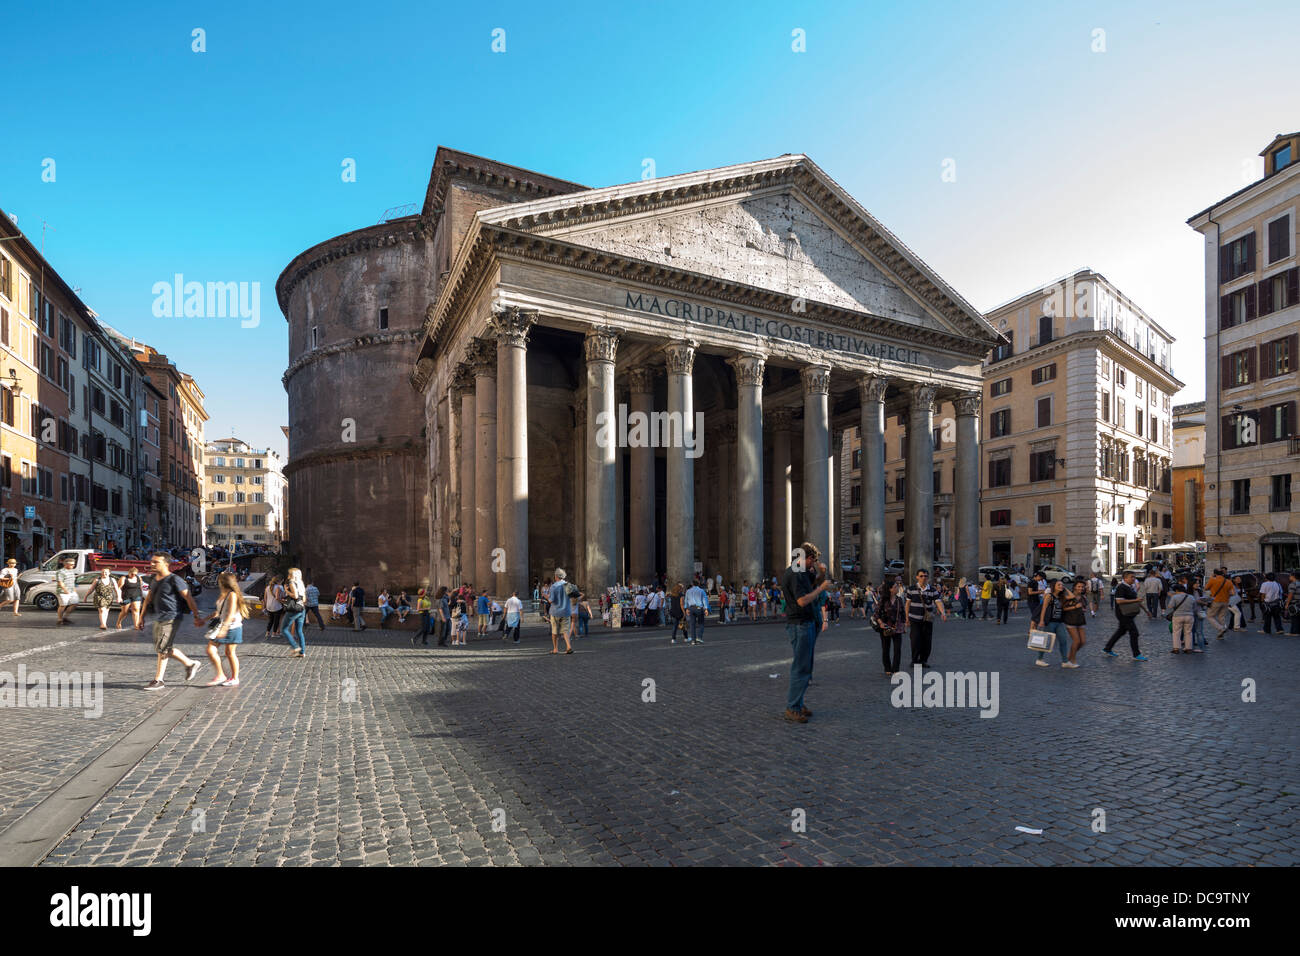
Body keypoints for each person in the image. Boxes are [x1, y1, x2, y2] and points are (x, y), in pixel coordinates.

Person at [781, 543, 834, 723]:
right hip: (800, 623)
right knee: (801, 667)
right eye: (814, 560)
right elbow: (803, 600)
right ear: (807, 558)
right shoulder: (795, 573)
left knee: (806, 666)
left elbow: (812, 585)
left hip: (806, 622)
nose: (814, 564)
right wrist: (821, 588)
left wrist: (821, 575)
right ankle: (792, 707)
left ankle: (798, 703)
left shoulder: (802, 572)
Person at [142, 553, 206, 690]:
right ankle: (190, 664)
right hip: (158, 617)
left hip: (171, 617)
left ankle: (159, 680)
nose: (152, 564)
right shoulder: (153, 579)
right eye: (152, 561)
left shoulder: (175, 580)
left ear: (166, 564)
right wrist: (141, 616)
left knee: (162, 648)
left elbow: (189, 598)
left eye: (156, 562)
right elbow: (148, 598)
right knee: (163, 649)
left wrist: (196, 616)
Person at [203, 572, 249, 686]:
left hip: (232, 627)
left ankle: (234, 678)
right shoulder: (224, 594)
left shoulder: (232, 595)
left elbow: (230, 614)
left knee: (230, 653)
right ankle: (221, 675)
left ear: (223, 582)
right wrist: (203, 619)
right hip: (224, 626)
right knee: (212, 650)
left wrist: (223, 629)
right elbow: (218, 612)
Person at [906, 569, 947, 667]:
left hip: (927, 620)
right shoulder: (911, 589)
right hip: (914, 619)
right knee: (915, 640)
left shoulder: (933, 590)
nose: (923, 578)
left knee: (927, 640)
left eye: (925, 576)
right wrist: (906, 617)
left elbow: (938, 602)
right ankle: (914, 660)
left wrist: (943, 613)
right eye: (921, 576)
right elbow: (907, 604)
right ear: (917, 577)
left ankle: (923, 660)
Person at [1103, 570, 1148, 661]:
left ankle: (1108, 648)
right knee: (1134, 632)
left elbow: (1137, 599)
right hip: (1123, 614)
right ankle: (1136, 654)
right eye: (1132, 577)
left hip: (1129, 613)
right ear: (1125, 578)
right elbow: (1119, 601)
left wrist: (1146, 611)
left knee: (1121, 631)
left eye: (1134, 577)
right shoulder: (1121, 587)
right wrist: (1135, 601)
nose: (1133, 579)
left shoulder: (1130, 587)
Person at [1032, 580, 1072, 668]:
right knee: (1046, 641)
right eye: (1059, 585)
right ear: (1054, 586)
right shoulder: (1049, 596)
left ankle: (1065, 661)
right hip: (1050, 622)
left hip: (1059, 622)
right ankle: (1039, 659)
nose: (1061, 586)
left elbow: (1072, 596)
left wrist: (1065, 589)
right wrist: (1041, 621)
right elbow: (1044, 609)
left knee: (1063, 641)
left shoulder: (1061, 597)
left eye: (1062, 585)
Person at [872, 579, 906, 677]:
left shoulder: (899, 599)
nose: (897, 588)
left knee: (897, 649)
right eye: (895, 587)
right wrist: (881, 623)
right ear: (890, 589)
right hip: (885, 627)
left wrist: (904, 625)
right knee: (886, 649)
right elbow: (876, 614)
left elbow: (902, 613)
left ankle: (896, 669)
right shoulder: (883, 600)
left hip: (897, 627)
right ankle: (887, 668)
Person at [280, 568, 308, 658]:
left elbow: (295, 596)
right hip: (301, 608)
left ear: (292, 575)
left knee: (284, 629)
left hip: (293, 609)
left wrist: (286, 591)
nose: (288, 575)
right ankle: (302, 652)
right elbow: (303, 599)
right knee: (299, 631)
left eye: (289, 574)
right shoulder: (301, 584)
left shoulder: (291, 583)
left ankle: (295, 647)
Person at [1061, 579, 1088, 666]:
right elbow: (1063, 608)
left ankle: (1069, 656)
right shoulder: (1069, 596)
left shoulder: (1083, 597)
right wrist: (1075, 607)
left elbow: (1083, 607)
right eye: (1079, 586)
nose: (1081, 588)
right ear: (1074, 587)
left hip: (1080, 620)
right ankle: (1072, 660)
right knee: (1076, 641)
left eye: (1082, 587)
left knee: (1082, 642)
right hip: (1070, 620)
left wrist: (1083, 609)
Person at [548, 568, 574, 655]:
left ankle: (555, 649)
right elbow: (573, 597)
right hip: (566, 611)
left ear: (556, 576)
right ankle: (568, 646)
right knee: (565, 630)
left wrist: (546, 596)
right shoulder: (568, 585)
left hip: (555, 612)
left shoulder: (554, 586)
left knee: (554, 631)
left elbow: (551, 600)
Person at [1204, 568, 1235, 640]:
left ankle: (1221, 628)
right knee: (1221, 616)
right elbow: (1232, 593)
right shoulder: (1228, 581)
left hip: (1216, 601)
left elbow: (1206, 588)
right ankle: (1220, 634)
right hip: (1226, 601)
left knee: (1209, 616)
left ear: (1214, 574)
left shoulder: (1212, 580)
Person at [1167, 581, 1196, 654]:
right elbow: (1194, 607)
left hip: (1178, 616)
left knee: (1176, 632)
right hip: (1189, 616)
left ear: (1176, 590)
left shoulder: (1175, 597)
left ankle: (1176, 648)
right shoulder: (1191, 597)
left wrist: (1171, 597)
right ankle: (1188, 648)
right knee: (1188, 632)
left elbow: (1170, 606)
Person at [54, 556, 79, 626]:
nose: (73, 566)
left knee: (75, 603)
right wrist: (65, 590)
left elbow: (72, 581)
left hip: (72, 591)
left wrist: (74, 590)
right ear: (66, 564)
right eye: (71, 564)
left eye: (74, 564)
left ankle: (65, 617)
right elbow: (60, 582)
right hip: (63, 592)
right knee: (63, 605)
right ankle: (59, 619)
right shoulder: (60, 572)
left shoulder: (71, 571)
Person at [684, 579, 709, 645]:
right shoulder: (701, 591)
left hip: (691, 608)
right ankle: (699, 637)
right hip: (699, 608)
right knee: (701, 623)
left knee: (692, 625)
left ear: (692, 584)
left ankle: (693, 640)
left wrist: (686, 609)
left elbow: (686, 600)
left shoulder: (688, 591)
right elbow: (704, 599)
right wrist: (706, 608)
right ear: (698, 584)